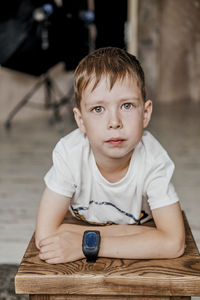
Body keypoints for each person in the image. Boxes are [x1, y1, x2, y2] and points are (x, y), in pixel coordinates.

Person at [35, 47, 185, 264]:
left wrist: (88, 244)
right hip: (137, 235)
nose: (114, 122)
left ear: (145, 113)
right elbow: (46, 236)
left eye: (127, 105)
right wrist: (132, 236)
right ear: (80, 120)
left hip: (92, 234)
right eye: (98, 109)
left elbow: (173, 243)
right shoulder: (70, 153)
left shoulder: (153, 159)